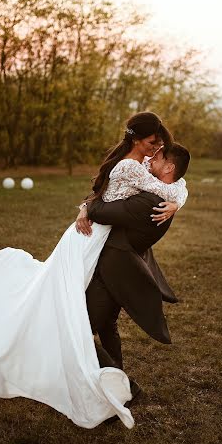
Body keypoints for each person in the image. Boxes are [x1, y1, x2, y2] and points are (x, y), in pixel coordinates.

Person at [0, 112, 188, 429]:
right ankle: (116, 384)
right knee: (65, 307)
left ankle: (118, 384)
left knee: (84, 312)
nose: (157, 149)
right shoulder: (130, 165)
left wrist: (178, 198)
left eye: (160, 145)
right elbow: (167, 188)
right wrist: (177, 199)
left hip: (99, 240)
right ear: (137, 140)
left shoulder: (139, 163)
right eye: (153, 143)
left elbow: (174, 183)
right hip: (88, 241)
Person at [77, 144, 190, 397]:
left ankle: (125, 389)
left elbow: (102, 211)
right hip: (120, 266)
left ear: (169, 167)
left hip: (115, 271)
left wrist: (86, 207)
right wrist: (180, 201)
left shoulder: (151, 201)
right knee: (107, 325)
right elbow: (182, 186)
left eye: (158, 157)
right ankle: (116, 387)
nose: (150, 157)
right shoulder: (166, 194)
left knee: (78, 332)